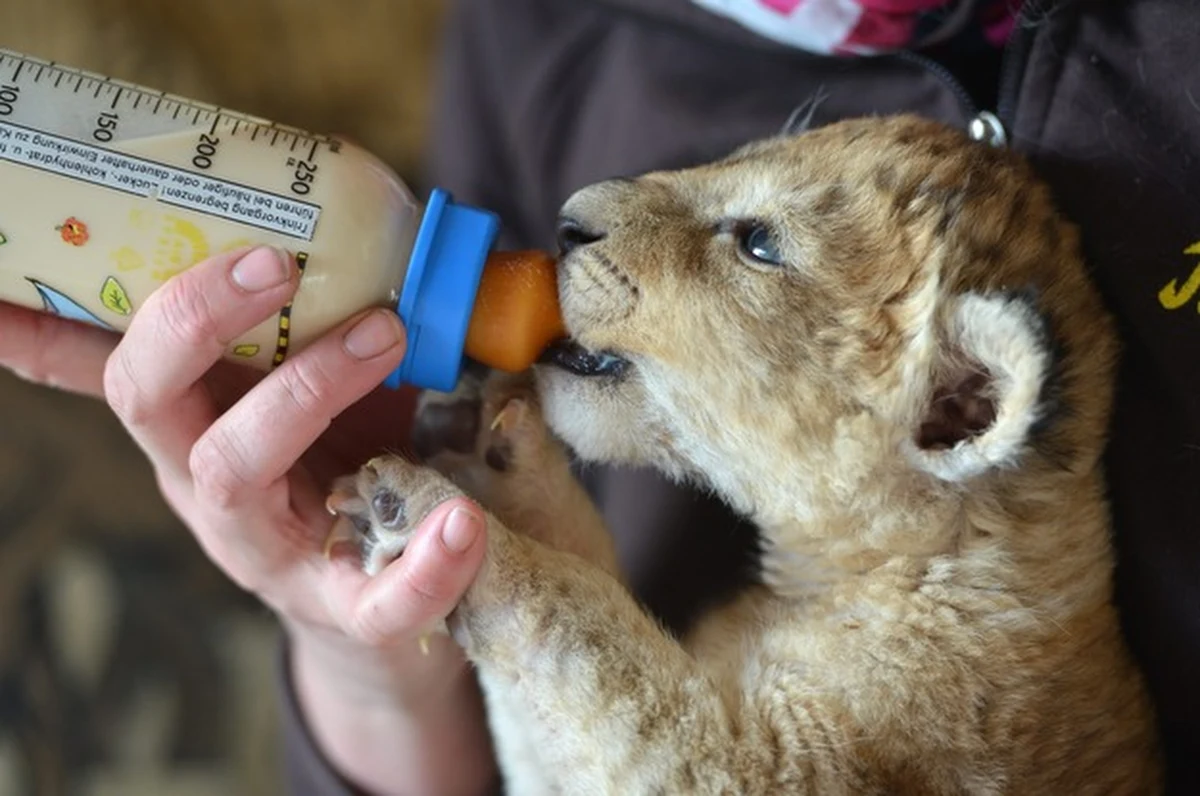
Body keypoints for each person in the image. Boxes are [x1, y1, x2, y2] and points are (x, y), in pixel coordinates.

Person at [2, 1, 1197, 794]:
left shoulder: (968, 674)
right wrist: (382, 647)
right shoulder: (536, 35)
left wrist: (513, 582)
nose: (601, 202)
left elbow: (690, 768)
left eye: (755, 244)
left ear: (953, 406)